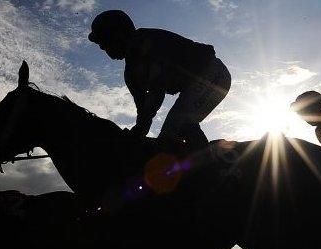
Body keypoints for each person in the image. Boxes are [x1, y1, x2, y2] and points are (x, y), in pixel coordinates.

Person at [88, 10, 231, 148]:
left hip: (214, 74)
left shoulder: (148, 41)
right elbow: (143, 108)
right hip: (197, 83)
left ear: (119, 35)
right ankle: (201, 161)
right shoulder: (130, 75)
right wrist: (139, 130)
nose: (103, 49)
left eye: (105, 42)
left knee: (180, 125)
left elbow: (157, 91)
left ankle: (210, 167)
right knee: (167, 137)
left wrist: (139, 131)